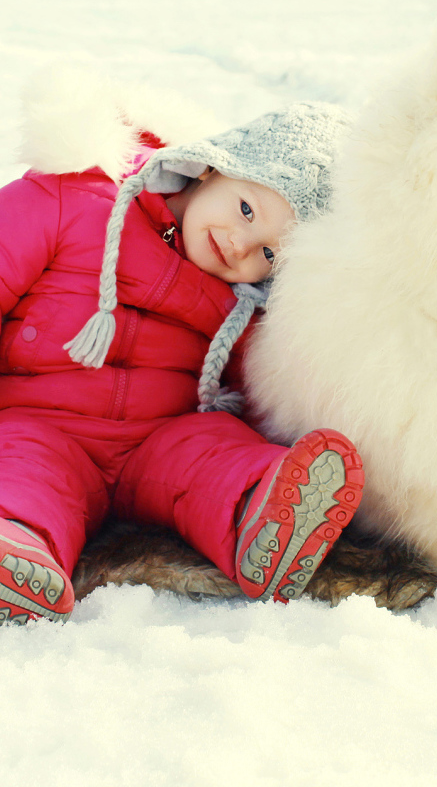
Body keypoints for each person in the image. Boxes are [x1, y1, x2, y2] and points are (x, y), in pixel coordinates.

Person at [0, 101, 363, 625]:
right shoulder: (73, 198)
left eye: (268, 254)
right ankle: (17, 547)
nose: (240, 245)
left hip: (159, 437)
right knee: (25, 476)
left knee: (215, 454)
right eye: (245, 210)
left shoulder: (246, 305)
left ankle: (267, 510)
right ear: (213, 165)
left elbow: (262, 391)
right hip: (41, 422)